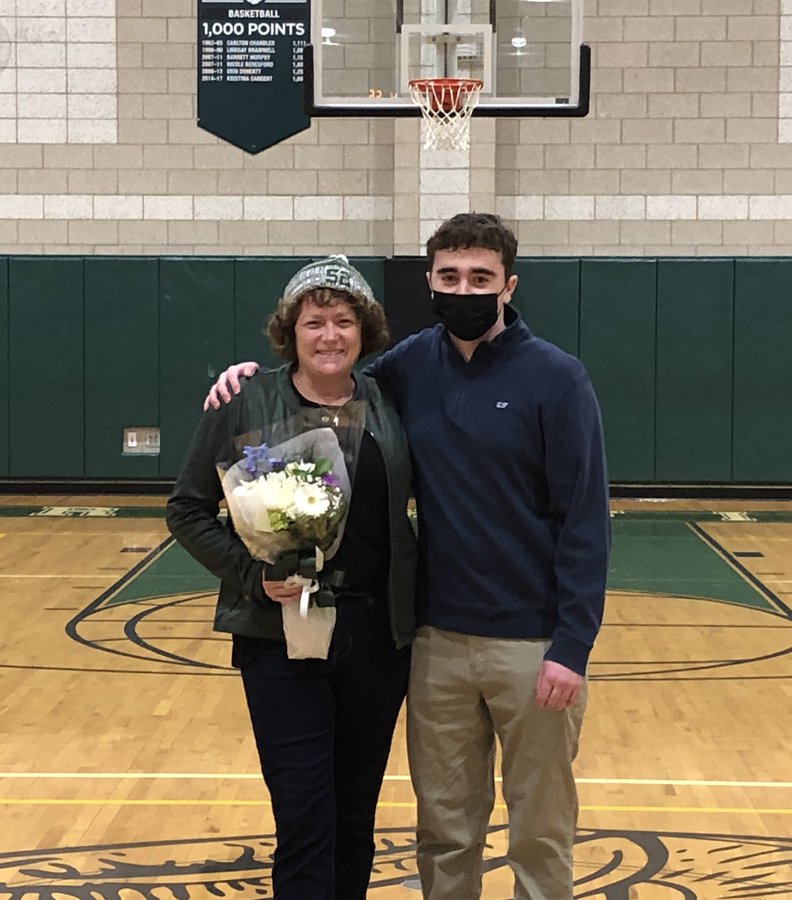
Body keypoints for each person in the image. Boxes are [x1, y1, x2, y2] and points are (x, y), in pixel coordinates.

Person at [204, 213, 611, 900]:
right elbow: (322, 374)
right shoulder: (406, 368)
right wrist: (247, 379)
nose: (464, 289)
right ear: (428, 281)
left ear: (509, 284)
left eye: (481, 278)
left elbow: (585, 520)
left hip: (534, 642)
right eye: (449, 276)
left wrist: (573, 644)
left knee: (539, 831)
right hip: (432, 639)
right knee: (445, 828)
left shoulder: (557, 379)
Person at [166, 255, 418, 900]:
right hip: (278, 634)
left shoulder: (390, 400)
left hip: (375, 636)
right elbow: (187, 509)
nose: (329, 335)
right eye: (314, 322)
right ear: (290, 331)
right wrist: (253, 575)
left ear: (364, 331)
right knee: (305, 817)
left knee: (355, 815)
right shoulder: (246, 399)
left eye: (343, 321)